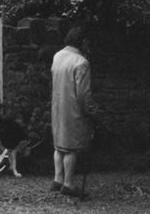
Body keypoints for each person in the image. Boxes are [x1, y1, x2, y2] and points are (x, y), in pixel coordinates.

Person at [51, 26, 99, 198]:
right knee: (71, 148)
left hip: (58, 106)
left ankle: (58, 179)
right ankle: (69, 184)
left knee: (59, 146)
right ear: (82, 41)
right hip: (73, 109)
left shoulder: (58, 56)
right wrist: (92, 111)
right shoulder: (81, 62)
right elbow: (83, 94)